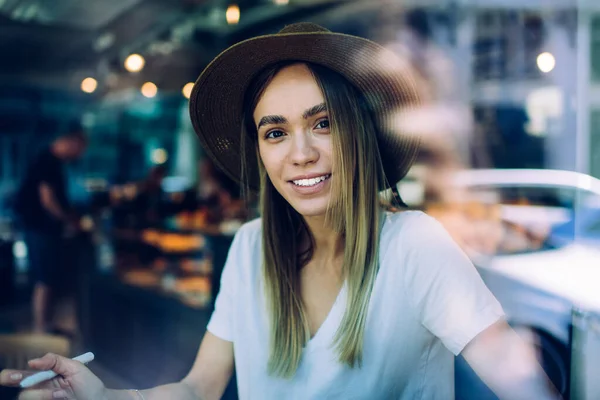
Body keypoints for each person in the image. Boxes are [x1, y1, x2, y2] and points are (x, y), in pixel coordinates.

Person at [1, 23, 560, 400]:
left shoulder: (414, 245)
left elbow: (522, 382)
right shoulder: (248, 248)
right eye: (275, 132)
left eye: (323, 123)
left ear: (360, 134)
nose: (301, 153)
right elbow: (199, 388)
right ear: (261, 152)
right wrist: (104, 395)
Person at [13, 124, 87, 334]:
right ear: (70, 141)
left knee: (47, 276)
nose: (80, 153)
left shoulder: (52, 161)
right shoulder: (46, 160)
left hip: (41, 228)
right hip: (39, 228)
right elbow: (48, 200)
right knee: (45, 277)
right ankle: (41, 328)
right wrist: (68, 220)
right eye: (80, 147)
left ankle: (45, 324)